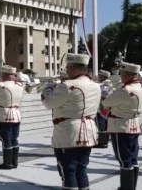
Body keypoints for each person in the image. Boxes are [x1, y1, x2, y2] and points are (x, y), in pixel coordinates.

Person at [41, 53, 101, 190]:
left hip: (69, 131)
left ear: (73, 68)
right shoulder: (95, 85)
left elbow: (49, 103)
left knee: (68, 169)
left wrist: (48, 88)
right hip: (89, 129)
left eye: (68, 67)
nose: (66, 70)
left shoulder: (67, 85)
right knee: (81, 168)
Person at [102, 62, 142, 190]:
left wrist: (104, 95)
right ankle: (131, 186)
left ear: (126, 74)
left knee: (124, 160)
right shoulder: (140, 86)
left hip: (121, 126)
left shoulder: (126, 89)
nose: (121, 76)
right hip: (134, 124)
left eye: (122, 74)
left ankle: (126, 187)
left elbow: (106, 102)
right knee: (133, 158)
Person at [0, 64, 23, 170]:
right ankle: (14, 162)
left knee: (5, 139)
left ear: (4, 74)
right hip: (16, 113)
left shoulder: (1, 85)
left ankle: (7, 163)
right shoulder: (19, 85)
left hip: (3, 114)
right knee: (14, 139)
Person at [95, 70, 113, 149]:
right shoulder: (108, 84)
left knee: (101, 123)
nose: (99, 77)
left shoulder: (105, 85)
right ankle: (104, 141)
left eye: (100, 76)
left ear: (103, 77)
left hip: (101, 107)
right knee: (104, 123)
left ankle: (102, 142)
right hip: (104, 106)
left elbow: (104, 95)